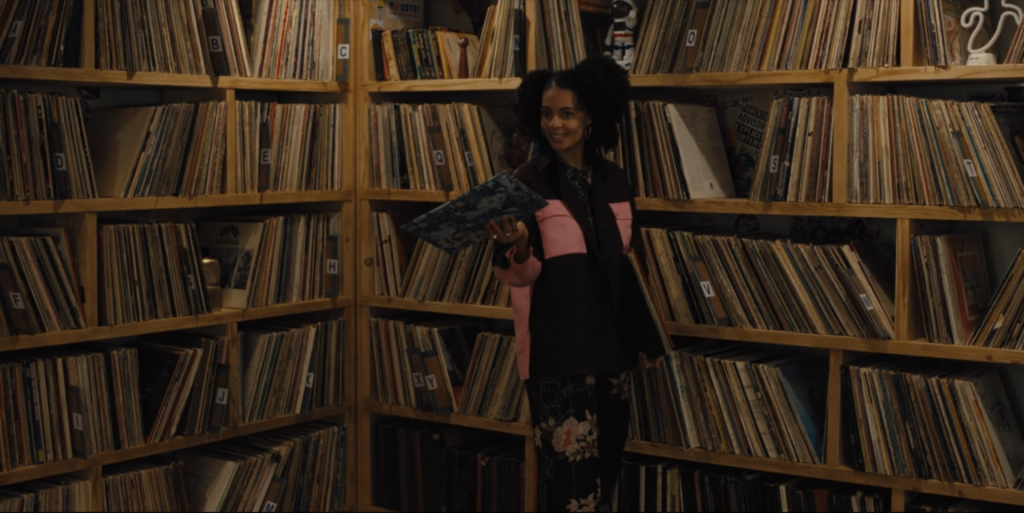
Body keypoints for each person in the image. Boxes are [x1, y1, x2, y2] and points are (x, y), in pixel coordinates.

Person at [485, 55, 664, 512]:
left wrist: (644, 339)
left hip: (614, 355)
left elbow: (627, 265)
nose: (555, 124)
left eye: (567, 113)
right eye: (547, 113)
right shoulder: (524, 184)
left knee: (605, 478)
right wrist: (522, 244)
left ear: (591, 116)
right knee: (568, 487)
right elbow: (514, 274)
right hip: (557, 356)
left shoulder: (616, 181)